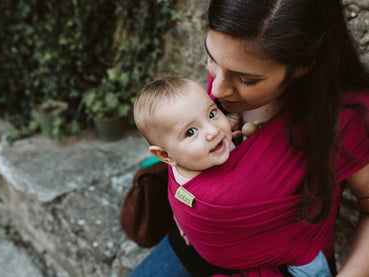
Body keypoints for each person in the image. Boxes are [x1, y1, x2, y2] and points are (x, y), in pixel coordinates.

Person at [127, 0, 369, 276]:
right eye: (211, 57)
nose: (218, 88)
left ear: (303, 65)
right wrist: (182, 205)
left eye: (246, 79)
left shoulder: (356, 122)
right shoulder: (226, 84)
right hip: (189, 251)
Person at [132, 77, 332, 277]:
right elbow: (185, 198)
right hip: (237, 251)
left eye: (212, 114)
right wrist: (185, 218)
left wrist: (247, 135)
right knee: (312, 267)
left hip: (209, 248)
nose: (213, 131)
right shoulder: (218, 191)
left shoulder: (189, 156)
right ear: (165, 156)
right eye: (191, 132)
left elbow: (182, 195)